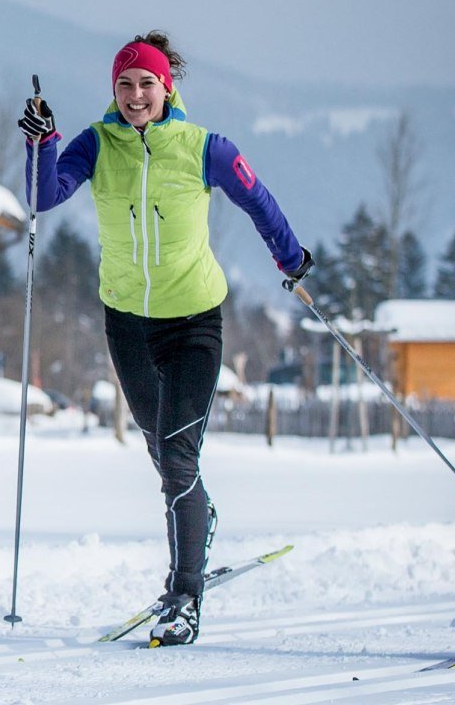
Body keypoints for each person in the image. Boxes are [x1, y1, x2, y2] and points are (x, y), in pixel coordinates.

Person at [19, 32, 310, 646]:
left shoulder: (203, 147)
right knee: (164, 453)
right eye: (124, 85)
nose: (134, 95)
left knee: (178, 458)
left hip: (195, 320)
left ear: (166, 88)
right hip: (126, 320)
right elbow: (44, 197)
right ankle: (197, 525)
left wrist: (291, 259)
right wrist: (42, 142)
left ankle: (184, 595)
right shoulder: (95, 145)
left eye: (145, 83)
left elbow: (258, 199)